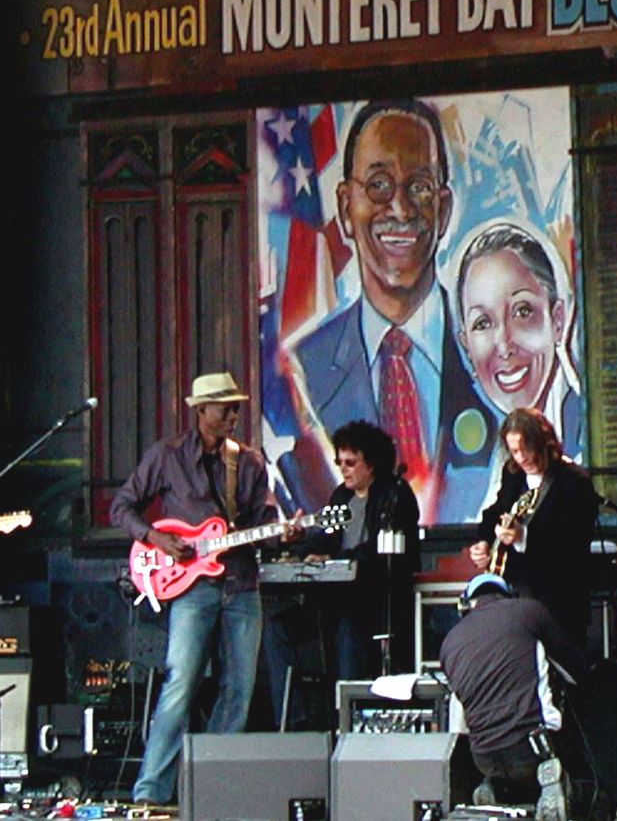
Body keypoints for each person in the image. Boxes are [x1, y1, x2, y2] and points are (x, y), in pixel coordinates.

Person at [292, 98, 495, 523]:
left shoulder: (494, 353)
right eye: (379, 185)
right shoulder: (305, 368)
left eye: (419, 187)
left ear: (444, 209)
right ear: (346, 207)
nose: (400, 210)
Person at [109, 371, 280, 807]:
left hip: (241, 584)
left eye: (236, 408)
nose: (234, 416)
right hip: (190, 589)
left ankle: (211, 787)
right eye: (226, 408)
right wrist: (154, 537)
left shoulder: (250, 462)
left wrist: (283, 533)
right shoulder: (166, 456)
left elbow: (261, 525)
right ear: (202, 411)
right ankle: (151, 790)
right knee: (180, 681)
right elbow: (121, 507)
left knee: (239, 688)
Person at [440, 573, 587, 820]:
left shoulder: (449, 643)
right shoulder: (529, 612)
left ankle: (492, 785)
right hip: (533, 749)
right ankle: (553, 781)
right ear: (508, 595)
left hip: (482, 755)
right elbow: (576, 669)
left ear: (465, 605)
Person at [468, 407, 598, 647]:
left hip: (559, 600)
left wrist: (524, 536)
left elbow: (574, 542)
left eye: (527, 449)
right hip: (516, 593)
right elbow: (496, 511)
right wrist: (484, 542)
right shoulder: (513, 475)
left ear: (543, 443)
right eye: (515, 451)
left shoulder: (574, 481)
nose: (521, 457)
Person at [455, 219, 582, 465]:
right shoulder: (497, 461)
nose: (504, 345)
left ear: (557, 320)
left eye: (522, 312)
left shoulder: (584, 434)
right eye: (482, 323)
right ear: (466, 346)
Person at [301, 420, 421, 679]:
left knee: (347, 623)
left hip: (376, 597)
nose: (343, 469)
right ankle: (297, 716)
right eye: (340, 463)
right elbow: (324, 536)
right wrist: (302, 541)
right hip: (333, 596)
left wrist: (335, 559)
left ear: (372, 463)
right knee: (278, 627)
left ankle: (346, 706)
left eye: (350, 463)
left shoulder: (395, 494)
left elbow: (380, 550)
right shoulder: (340, 497)